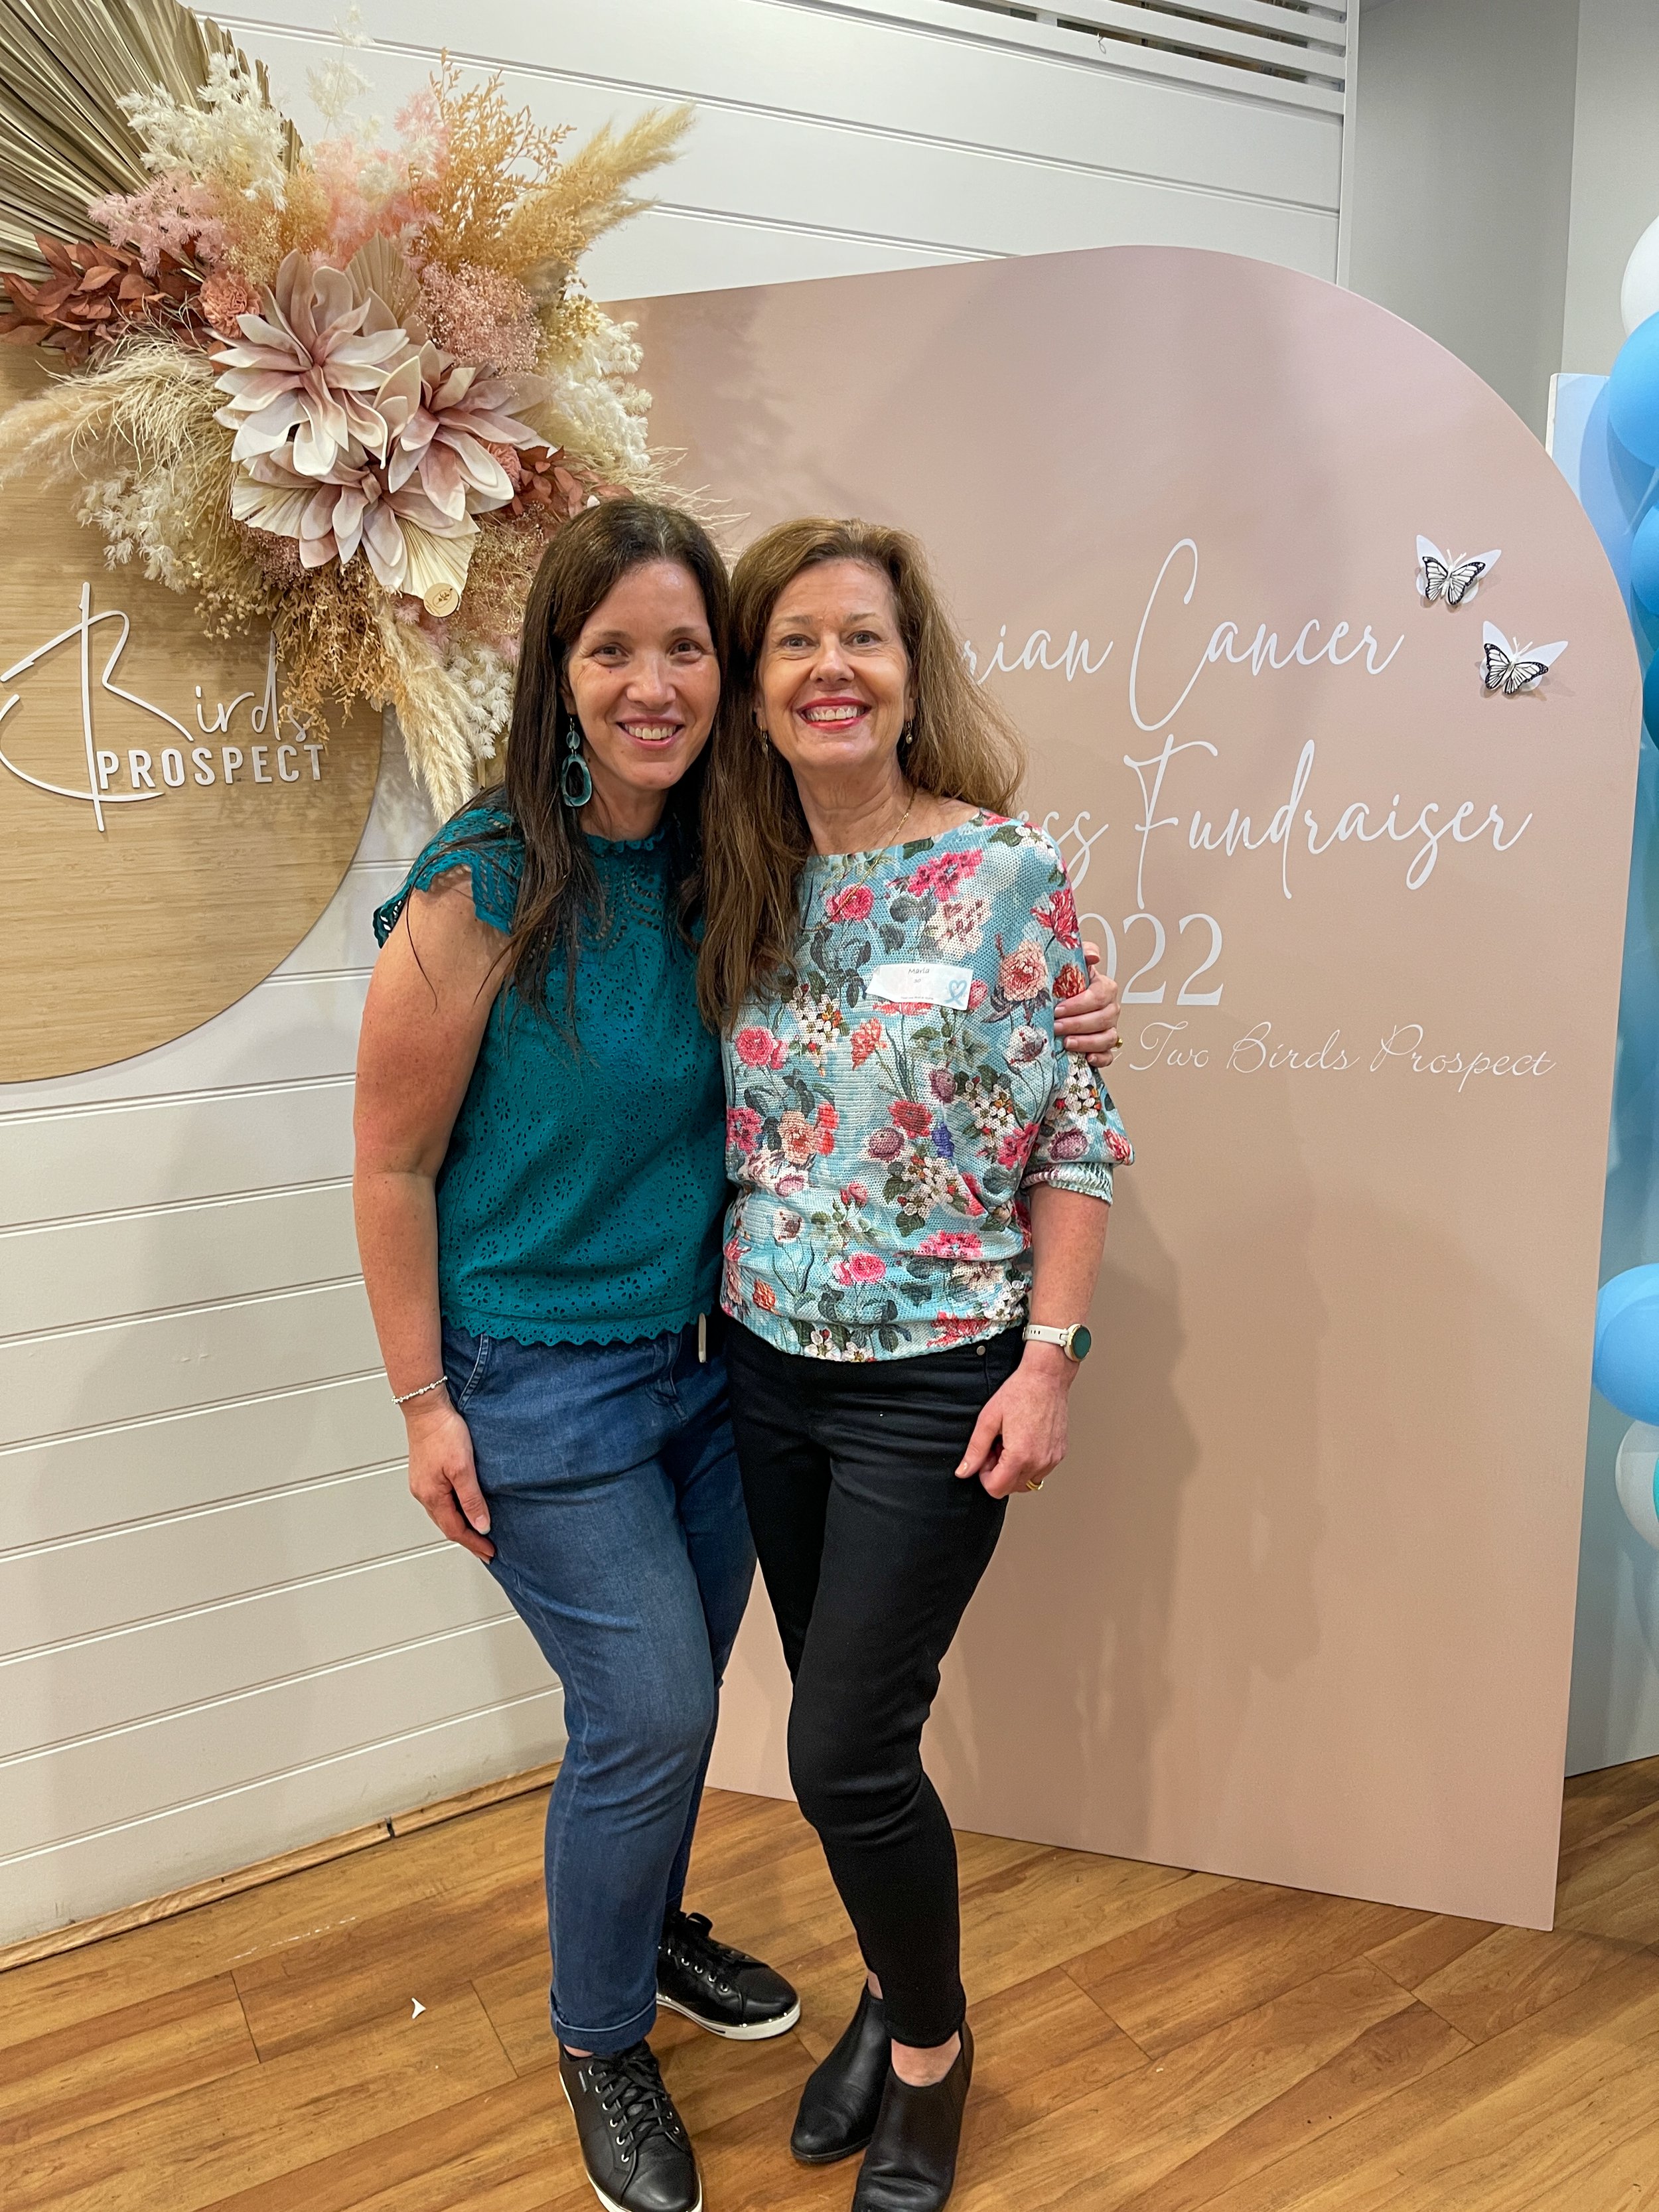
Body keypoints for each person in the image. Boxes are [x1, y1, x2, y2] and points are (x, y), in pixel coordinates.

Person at [353, 498, 1122, 2212]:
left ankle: (893, 2026)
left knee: (804, 1732)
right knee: (673, 1712)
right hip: (655, 1369)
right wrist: (421, 1401)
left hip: (821, 1372)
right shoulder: (595, 878)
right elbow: (392, 1158)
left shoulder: (882, 867)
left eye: (688, 647)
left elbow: (1059, 1111)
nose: (659, 682)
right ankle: (647, 2022)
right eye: (616, 649)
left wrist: (1051, 1338)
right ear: (563, 672)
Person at [699, 517, 1131, 2212]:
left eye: (861, 637)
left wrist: (1050, 1361)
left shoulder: (1008, 871)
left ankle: (934, 2055)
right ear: (753, 688)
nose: (831, 666)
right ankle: (891, 1992)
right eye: (793, 640)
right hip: (761, 1361)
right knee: (855, 1729)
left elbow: (1075, 1130)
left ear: (906, 666)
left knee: (838, 1750)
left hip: (936, 1374)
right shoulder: (728, 882)